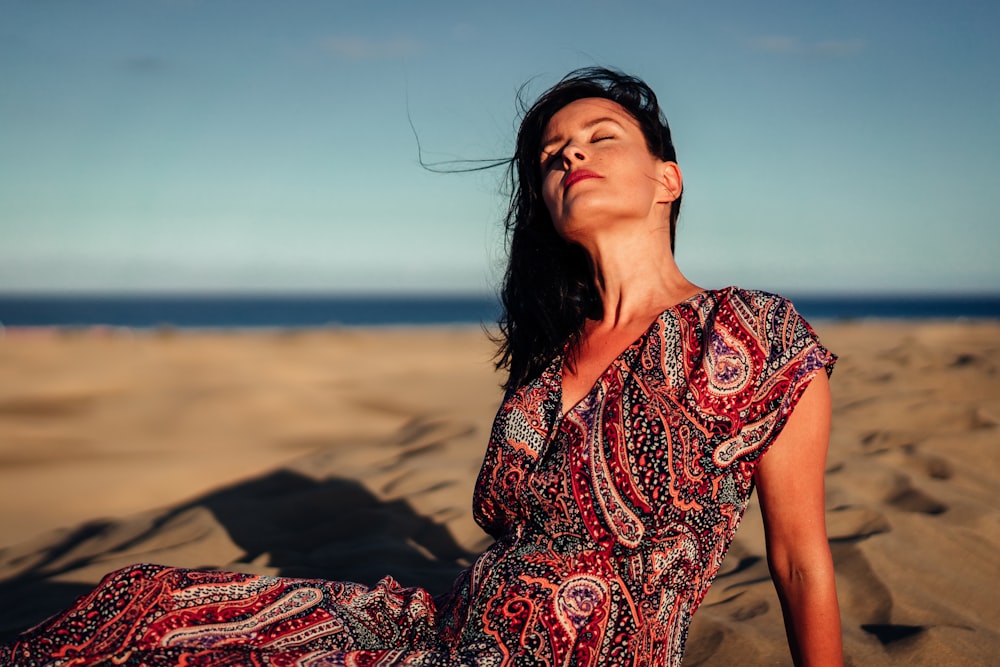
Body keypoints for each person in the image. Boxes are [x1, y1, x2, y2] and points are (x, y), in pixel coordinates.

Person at [0, 68, 841, 666]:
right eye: (551, 154)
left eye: (598, 138)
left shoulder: (751, 330)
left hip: (579, 652)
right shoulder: (547, 362)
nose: (568, 157)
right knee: (146, 604)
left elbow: (800, 559)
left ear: (668, 178)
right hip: (438, 628)